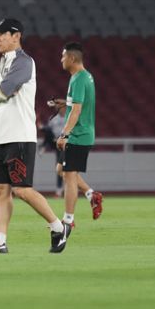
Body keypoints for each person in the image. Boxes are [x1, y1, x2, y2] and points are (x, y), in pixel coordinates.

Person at [0, 18, 70, 254]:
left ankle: (59, 226)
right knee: (1, 191)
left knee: (21, 189)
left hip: (20, 136)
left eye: (1, 34)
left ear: (16, 36)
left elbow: (4, 89)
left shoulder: (25, 62)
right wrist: (0, 91)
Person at [55, 42, 103, 228]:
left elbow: (76, 111)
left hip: (78, 134)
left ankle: (68, 220)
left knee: (69, 174)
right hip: (81, 133)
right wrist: (62, 103)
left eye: (63, 56)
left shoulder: (79, 78)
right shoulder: (83, 77)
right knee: (61, 170)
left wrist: (64, 135)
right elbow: (76, 106)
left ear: (72, 58)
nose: (61, 60)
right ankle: (92, 195)